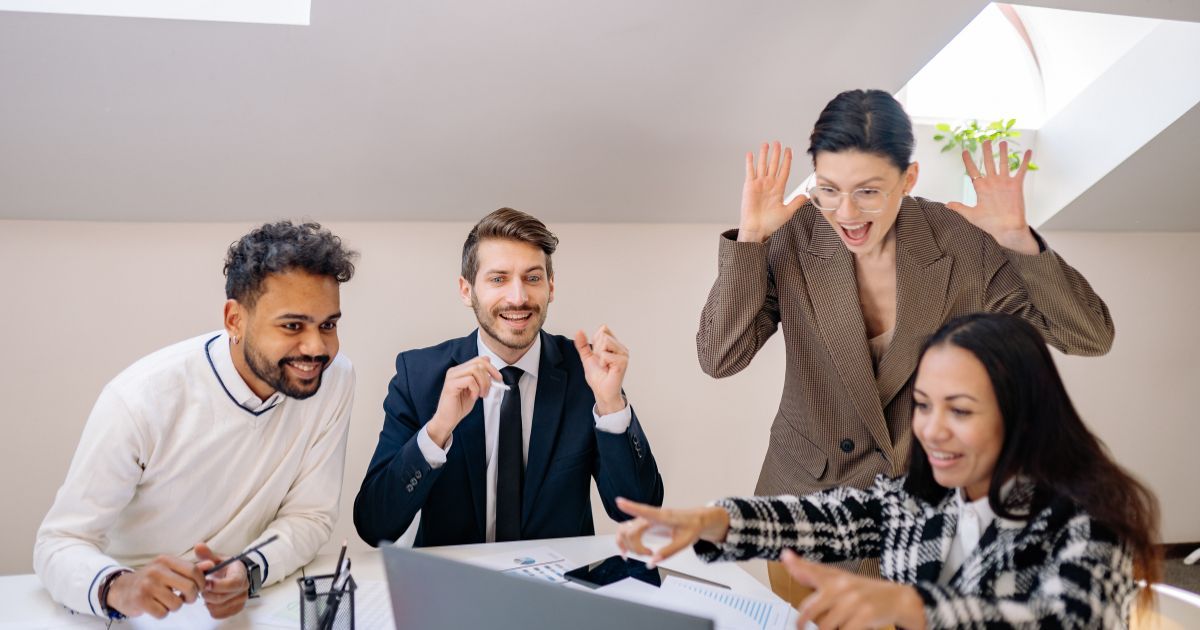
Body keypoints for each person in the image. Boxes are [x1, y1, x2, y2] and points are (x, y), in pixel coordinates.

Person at [696, 89, 1114, 596]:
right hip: (805, 512)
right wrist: (750, 241)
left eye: (868, 191)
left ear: (908, 179)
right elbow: (719, 358)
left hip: (924, 516)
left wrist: (1018, 238)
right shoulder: (791, 237)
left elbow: (1089, 336)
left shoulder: (961, 242)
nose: (845, 212)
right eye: (828, 189)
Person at [619, 313, 1159, 629]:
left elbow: (1061, 620)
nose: (932, 430)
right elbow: (822, 518)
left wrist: (910, 606)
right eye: (923, 405)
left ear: (1022, 412)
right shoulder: (919, 500)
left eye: (961, 410)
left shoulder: (1088, 520)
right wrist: (714, 520)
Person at [34, 221, 358, 621]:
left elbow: (310, 515)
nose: (316, 347)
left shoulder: (333, 378)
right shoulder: (141, 398)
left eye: (328, 324)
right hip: (134, 614)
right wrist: (123, 587)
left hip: (248, 608)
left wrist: (248, 568)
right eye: (292, 325)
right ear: (234, 320)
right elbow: (59, 542)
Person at [355, 207, 664, 547]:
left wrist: (611, 406)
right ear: (466, 290)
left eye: (532, 278)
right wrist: (437, 430)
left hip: (557, 590)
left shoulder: (586, 373)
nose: (518, 298)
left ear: (550, 287)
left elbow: (640, 515)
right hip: (453, 588)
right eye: (498, 279)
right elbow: (374, 525)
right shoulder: (418, 376)